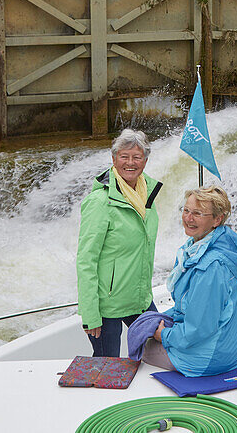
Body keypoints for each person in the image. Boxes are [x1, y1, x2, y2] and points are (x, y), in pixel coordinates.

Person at [142, 185, 237, 376]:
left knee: (144, 348)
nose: (188, 218)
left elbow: (200, 328)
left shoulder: (210, 266)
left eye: (198, 213)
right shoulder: (210, 245)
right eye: (186, 210)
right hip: (228, 349)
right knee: (149, 328)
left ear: (217, 219)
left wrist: (164, 335)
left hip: (213, 357)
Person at [76, 129, 163, 357]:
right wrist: (91, 314)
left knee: (159, 357)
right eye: (124, 156)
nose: (130, 163)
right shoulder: (99, 202)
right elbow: (86, 260)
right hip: (108, 307)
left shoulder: (147, 195)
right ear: (114, 159)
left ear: (145, 160)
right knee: (107, 368)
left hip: (140, 299)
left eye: (137, 157)